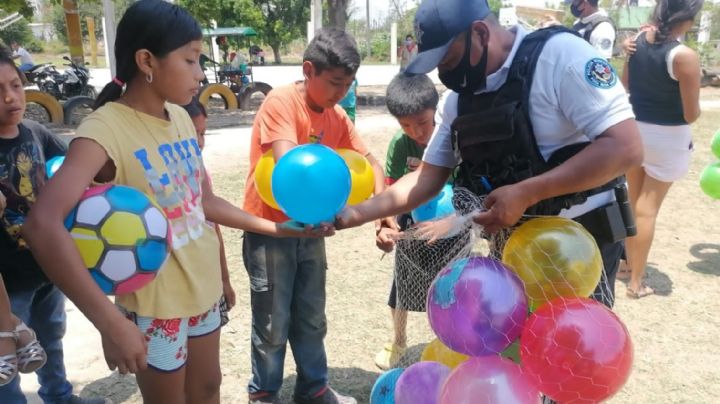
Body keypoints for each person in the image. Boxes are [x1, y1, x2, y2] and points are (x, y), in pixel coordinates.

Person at [22, 2, 329, 403]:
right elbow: (42, 225)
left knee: (208, 390)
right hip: (156, 306)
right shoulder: (104, 127)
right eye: (191, 59)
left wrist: (276, 228)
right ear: (147, 60)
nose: (200, 73)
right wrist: (109, 321)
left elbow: (202, 202)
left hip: (203, 291)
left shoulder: (181, 117)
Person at [337, 0, 643, 312]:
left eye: (449, 59)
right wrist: (355, 214)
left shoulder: (561, 57)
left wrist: (529, 192)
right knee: (510, 353)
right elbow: (427, 176)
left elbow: (625, 147)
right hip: (512, 251)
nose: (444, 72)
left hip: (579, 249)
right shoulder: (458, 101)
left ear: (481, 33)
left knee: (568, 350)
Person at [242, 28, 387, 404]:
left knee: (310, 317)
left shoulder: (336, 115)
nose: (341, 93)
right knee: (273, 323)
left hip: (311, 232)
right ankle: (264, 394)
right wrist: (317, 212)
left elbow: (369, 162)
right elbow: (292, 169)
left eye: (348, 84)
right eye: (335, 83)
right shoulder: (281, 103)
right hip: (272, 231)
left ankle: (314, 389)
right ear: (308, 70)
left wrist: (382, 216)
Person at [0, 46, 112, 404]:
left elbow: (73, 167)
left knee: (50, 338)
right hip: (7, 283)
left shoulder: (35, 131)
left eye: (16, 85)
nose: (9, 97)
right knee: (8, 358)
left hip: (49, 266)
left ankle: (59, 395)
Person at [373, 74, 470, 370]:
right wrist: (385, 225)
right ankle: (398, 341)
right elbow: (390, 192)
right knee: (401, 290)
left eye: (423, 123)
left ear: (437, 112)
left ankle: (453, 343)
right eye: (405, 125)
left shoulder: (456, 141)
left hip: (454, 231)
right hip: (412, 232)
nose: (416, 132)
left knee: (453, 292)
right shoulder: (400, 145)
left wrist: (450, 224)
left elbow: (471, 197)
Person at [621, 0, 703, 299]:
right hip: (667, 139)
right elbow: (690, 114)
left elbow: (624, 85)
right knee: (647, 209)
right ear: (689, 18)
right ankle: (636, 283)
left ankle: (628, 267)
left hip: (635, 130)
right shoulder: (685, 56)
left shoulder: (636, 42)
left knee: (632, 203)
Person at [182, 97, 236, 323]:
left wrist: (224, 278)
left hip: (207, 284)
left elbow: (213, 226)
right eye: (194, 132)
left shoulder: (200, 171)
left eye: (203, 133)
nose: (199, 141)